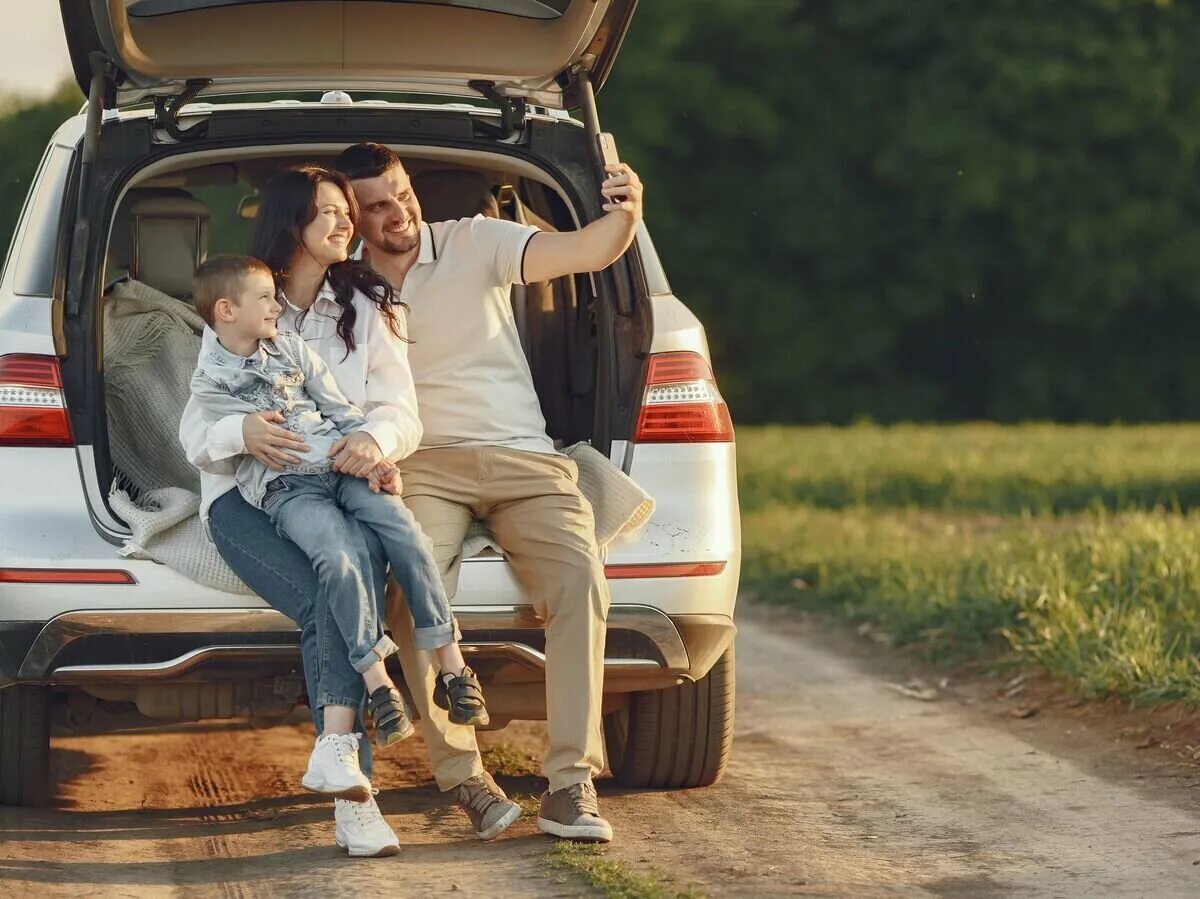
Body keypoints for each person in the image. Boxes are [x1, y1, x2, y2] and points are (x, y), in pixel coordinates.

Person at [178, 167, 521, 859]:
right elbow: (196, 433)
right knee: (329, 590)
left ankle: (351, 772)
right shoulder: (246, 302)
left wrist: (374, 442)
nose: (347, 223)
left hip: (343, 473)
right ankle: (356, 800)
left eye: (346, 211)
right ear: (292, 224)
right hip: (248, 495)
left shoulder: (370, 304)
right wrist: (241, 433)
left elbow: (400, 411)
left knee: (356, 565)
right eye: (330, 212)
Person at [332, 142, 645, 843]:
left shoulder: (474, 241)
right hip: (421, 465)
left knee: (580, 575)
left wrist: (627, 213)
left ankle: (570, 784)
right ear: (351, 217)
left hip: (523, 459)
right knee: (412, 590)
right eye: (376, 206)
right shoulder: (341, 287)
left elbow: (588, 250)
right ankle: (465, 779)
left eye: (402, 194)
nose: (398, 214)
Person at [186, 253, 491, 752]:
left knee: (406, 534)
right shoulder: (209, 382)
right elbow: (206, 443)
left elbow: (338, 408)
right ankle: (378, 683)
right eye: (264, 299)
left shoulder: (291, 347)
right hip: (288, 489)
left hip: (341, 466)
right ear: (226, 310)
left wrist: (374, 455)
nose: (275, 307)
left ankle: (454, 667)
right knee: (337, 557)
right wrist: (240, 431)